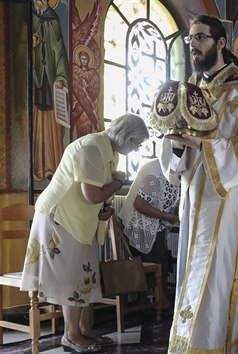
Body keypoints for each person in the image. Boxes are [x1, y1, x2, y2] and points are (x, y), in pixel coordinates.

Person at [158, 15, 238, 354]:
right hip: (194, 199)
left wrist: (204, 145)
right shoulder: (188, 92)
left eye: (200, 37)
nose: (194, 44)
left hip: (226, 204)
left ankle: (213, 347)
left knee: (215, 278)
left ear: (221, 42)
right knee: (190, 275)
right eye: (190, 39)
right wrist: (175, 144)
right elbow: (175, 162)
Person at [20, 113, 149, 353]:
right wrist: (118, 183)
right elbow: (93, 194)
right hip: (59, 218)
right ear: (126, 136)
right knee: (73, 277)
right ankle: (71, 335)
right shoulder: (91, 148)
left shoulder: (109, 151)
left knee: (85, 273)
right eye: (136, 143)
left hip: (80, 220)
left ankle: (84, 329)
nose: (136, 148)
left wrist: (105, 208)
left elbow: (97, 195)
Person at [118, 158, 179, 310]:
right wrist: (168, 217)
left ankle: (149, 301)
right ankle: (158, 301)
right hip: (138, 224)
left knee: (162, 260)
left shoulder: (173, 171)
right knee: (158, 263)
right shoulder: (155, 171)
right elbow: (139, 205)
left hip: (155, 223)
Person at [32, 0, 69, 181]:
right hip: (35, 77)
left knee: (52, 123)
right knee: (36, 120)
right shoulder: (26, 17)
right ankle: (36, 167)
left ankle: (53, 168)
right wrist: (31, 47)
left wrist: (61, 77)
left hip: (52, 78)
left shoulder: (54, 20)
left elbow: (60, 50)